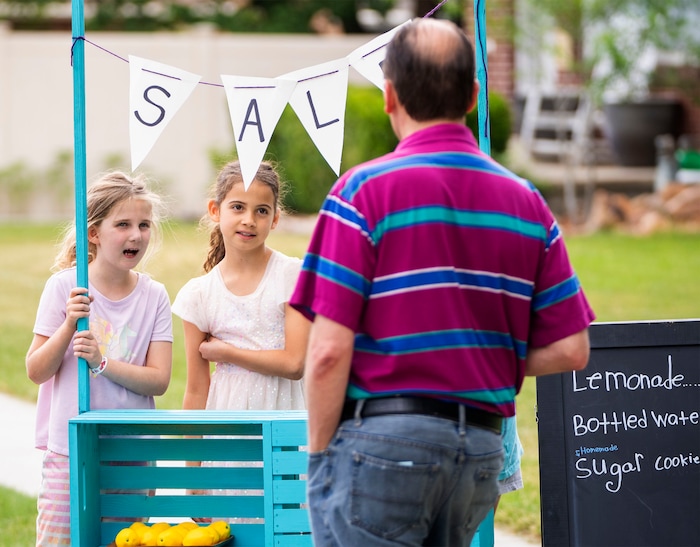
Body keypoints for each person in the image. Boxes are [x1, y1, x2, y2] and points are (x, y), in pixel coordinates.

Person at [290, 17, 595, 547]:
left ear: (388, 97)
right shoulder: (527, 204)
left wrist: (319, 459)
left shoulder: (361, 193)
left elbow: (326, 353)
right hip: (478, 452)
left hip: (380, 443)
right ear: (474, 95)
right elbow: (570, 348)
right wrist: (476, 358)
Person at [26, 171, 173, 546]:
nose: (136, 235)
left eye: (143, 224)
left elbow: (159, 379)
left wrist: (102, 363)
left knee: (122, 541)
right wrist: (69, 326)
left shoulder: (154, 296)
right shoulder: (64, 287)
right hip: (72, 449)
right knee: (62, 540)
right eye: (122, 224)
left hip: (132, 449)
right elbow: (36, 370)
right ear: (94, 232)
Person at [171, 161, 308, 516]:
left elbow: (294, 364)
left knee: (287, 526)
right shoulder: (199, 295)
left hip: (285, 425)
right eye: (238, 207)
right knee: (234, 525)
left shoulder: (291, 274)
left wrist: (228, 353)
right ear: (215, 211)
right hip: (228, 433)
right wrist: (194, 473)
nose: (249, 219)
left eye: (261, 211)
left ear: (275, 219)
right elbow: (196, 390)